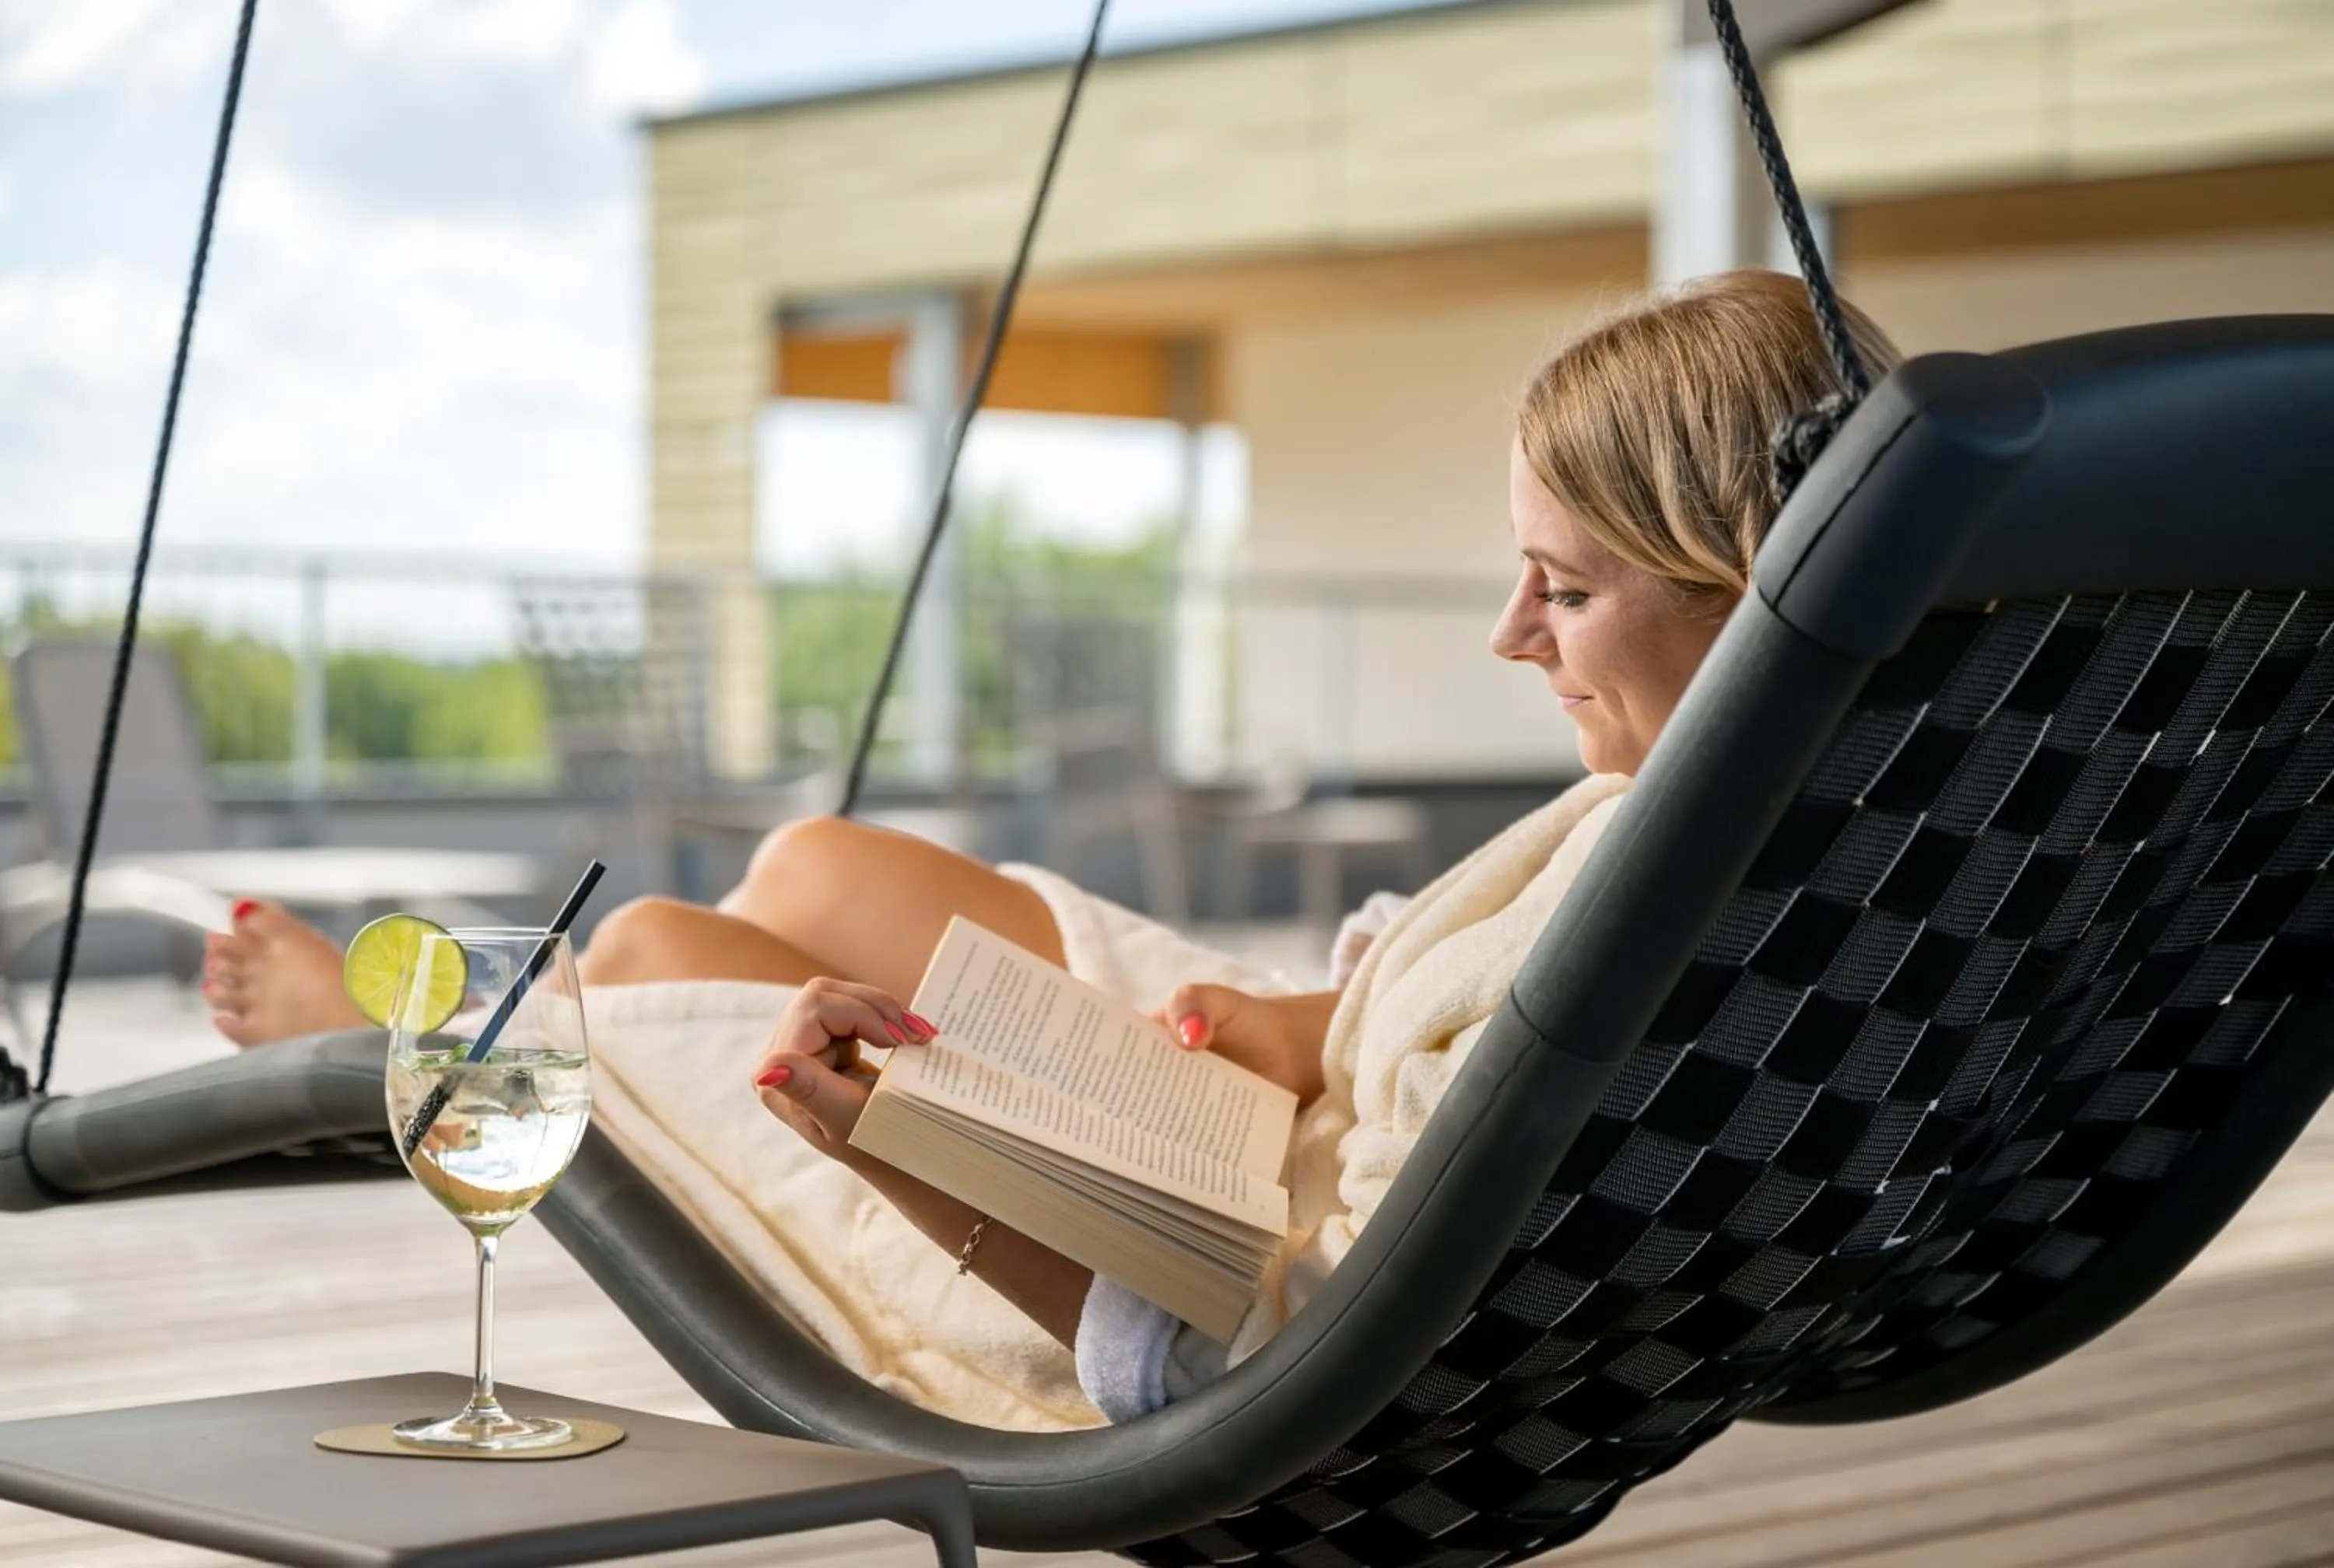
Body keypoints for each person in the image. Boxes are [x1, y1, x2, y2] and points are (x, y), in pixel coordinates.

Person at [203, 268, 1899, 1420]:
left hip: (1189, 1244)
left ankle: (394, 1047)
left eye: (1571, 589)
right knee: (820, 866)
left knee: (650, 948)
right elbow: (1469, 980)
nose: (1511, 638)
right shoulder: (1779, 801)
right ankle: (468, 1016)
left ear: (1753, 589)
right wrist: (1315, 1025)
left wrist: (904, 1150)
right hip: (1285, 1096)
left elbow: (1267, 1346)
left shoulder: (1681, 905)